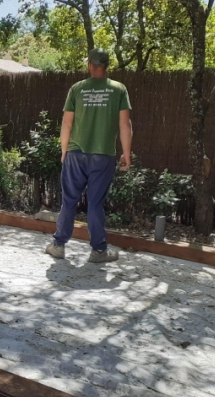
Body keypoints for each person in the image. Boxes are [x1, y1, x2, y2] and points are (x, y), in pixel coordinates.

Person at [45, 48, 133, 263]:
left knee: (69, 201)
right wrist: (126, 154)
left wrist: (64, 150)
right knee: (95, 204)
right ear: (106, 66)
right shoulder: (118, 89)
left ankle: (58, 246)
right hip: (103, 156)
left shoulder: (77, 89)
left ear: (90, 66)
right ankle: (98, 252)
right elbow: (125, 124)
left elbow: (67, 123)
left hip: (76, 153)